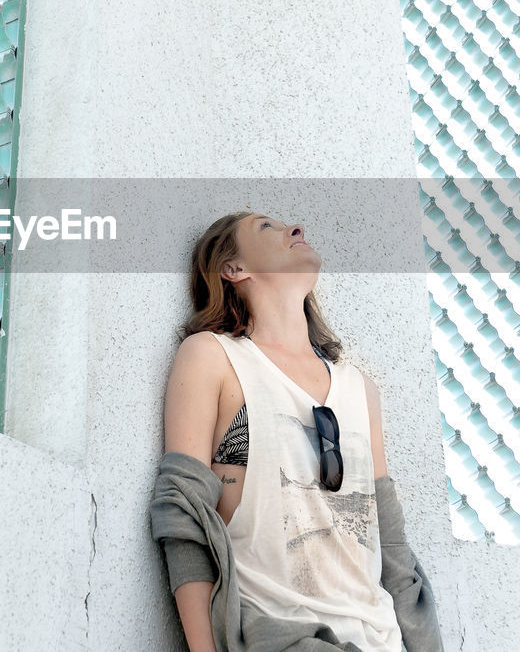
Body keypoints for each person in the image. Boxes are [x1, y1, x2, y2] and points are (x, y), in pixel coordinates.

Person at [150, 212, 444, 652]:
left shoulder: (360, 390)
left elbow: (394, 548)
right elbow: (184, 516)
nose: (295, 229)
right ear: (234, 270)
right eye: (266, 228)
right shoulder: (212, 358)